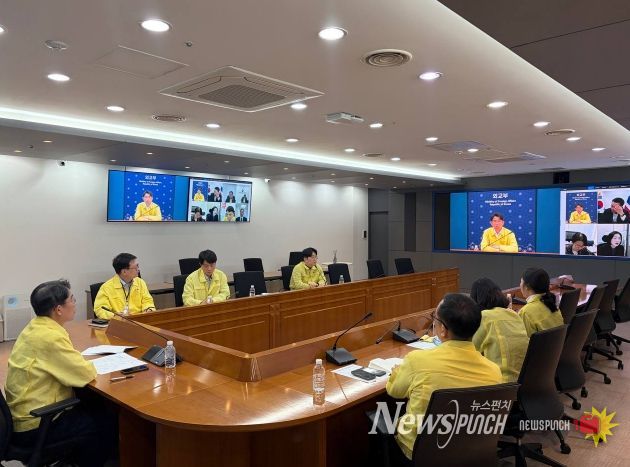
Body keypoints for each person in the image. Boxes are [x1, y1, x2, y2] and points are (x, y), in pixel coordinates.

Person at [6, 280, 114, 467]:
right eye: (72, 299)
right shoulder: (51, 337)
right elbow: (84, 373)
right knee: (103, 421)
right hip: (36, 425)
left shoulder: (35, 327)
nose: (75, 303)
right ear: (58, 309)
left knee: (94, 404)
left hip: (22, 415)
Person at [386, 294, 502, 462]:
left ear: (443, 330)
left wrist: (396, 372)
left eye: (435, 319)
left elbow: (394, 391)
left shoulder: (417, 360)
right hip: (470, 451)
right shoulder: (494, 371)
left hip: (422, 453)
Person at [470, 278, 529, 383]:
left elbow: (470, 349)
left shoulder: (485, 317)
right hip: (523, 380)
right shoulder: (513, 314)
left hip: (501, 382)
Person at [94, 253, 155, 319]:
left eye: (138, 266)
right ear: (124, 272)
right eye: (136, 267)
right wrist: (114, 316)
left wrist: (148, 310)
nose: (138, 269)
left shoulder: (140, 282)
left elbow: (148, 301)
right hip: (118, 322)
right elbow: (100, 309)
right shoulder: (106, 287)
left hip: (139, 320)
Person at [518, 268, 564, 336]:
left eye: (521, 282)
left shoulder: (525, 312)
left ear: (527, 286)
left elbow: (525, 340)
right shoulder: (554, 306)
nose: (520, 285)